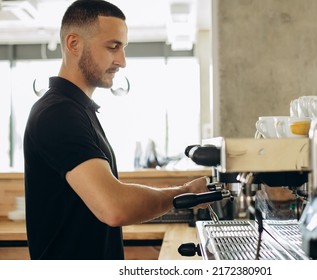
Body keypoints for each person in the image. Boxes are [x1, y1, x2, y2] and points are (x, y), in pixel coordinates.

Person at [23, 0, 209, 260]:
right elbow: (115, 207)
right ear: (74, 44)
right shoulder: (58, 113)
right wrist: (183, 193)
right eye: (113, 47)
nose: (122, 61)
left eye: (123, 48)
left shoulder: (78, 110)